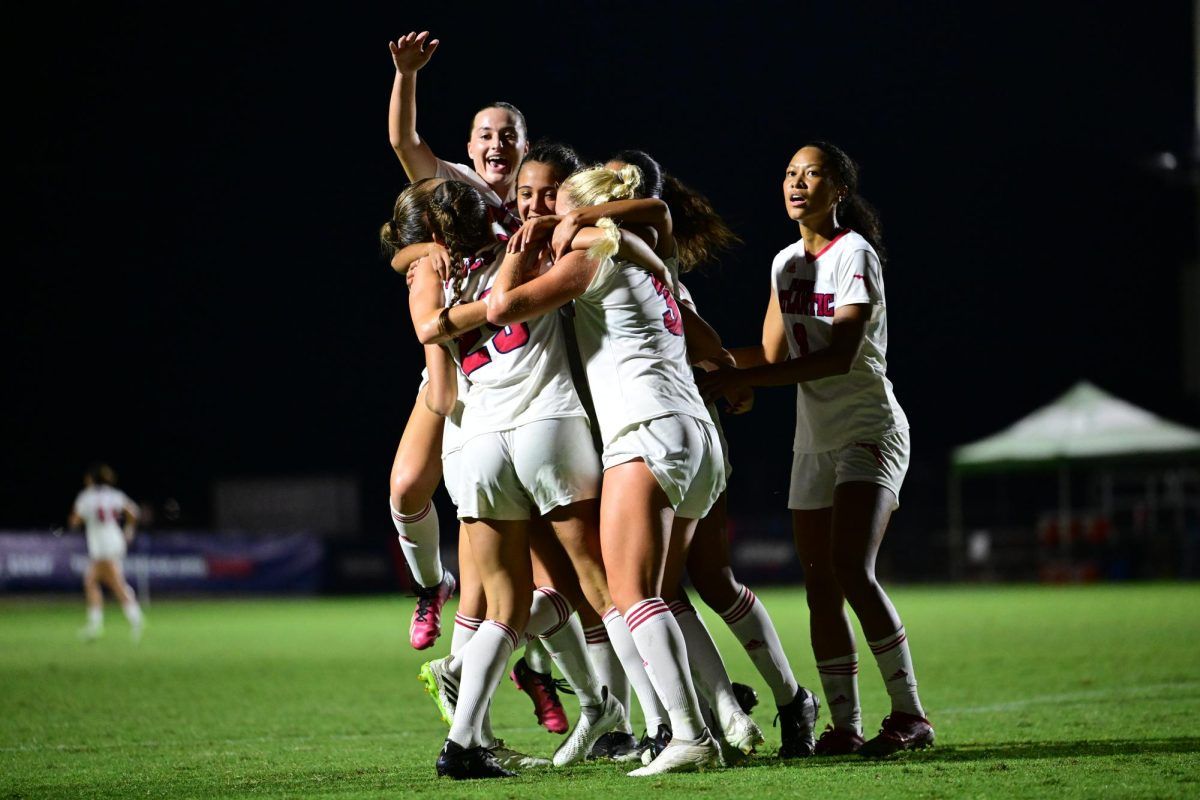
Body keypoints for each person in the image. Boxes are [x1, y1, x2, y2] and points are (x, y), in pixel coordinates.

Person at [488, 165, 735, 776]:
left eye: (559, 208)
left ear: (587, 215)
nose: (546, 217)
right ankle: (714, 721)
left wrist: (521, 250)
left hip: (645, 429)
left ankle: (689, 734)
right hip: (695, 434)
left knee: (631, 595)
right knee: (660, 593)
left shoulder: (591, 248)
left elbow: (503, 310)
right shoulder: (649, 251)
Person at [697, 141, 934, 758]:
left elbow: (837, 357)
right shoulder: (783, 264)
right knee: (820, 585)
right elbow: (774, 357)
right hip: (815, 441)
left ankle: (911, 716)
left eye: (813, 174)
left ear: (840, 191)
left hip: (868, 429)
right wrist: (707, 369)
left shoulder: (854, 254)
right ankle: (845, 726)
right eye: (789, 174)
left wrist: (737, 381)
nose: (797, 183)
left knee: (852, 569)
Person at [404, 179, 626, 779]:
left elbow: (426, 319)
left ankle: (463, 742)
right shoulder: (529, 247)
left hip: (472, 441)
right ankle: (655, 727)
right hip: (542, 423)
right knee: (604, 588)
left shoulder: (431, 274)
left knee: (504, 608)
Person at [383, 29, 529, 649]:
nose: (497, 142)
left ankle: (530, 672)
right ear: (470, 147)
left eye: (508, 134)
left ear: (526, 145)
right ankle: (426, 587)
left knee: (502, 555)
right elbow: (402, 141)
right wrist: (407, 75)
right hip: (454, 363)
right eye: (486, 134)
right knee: (407, 487)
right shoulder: (457, 188)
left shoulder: (540, 198)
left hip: (520, 378)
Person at [68, 464, 144, 642]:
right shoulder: (114, 494)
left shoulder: (86, 497)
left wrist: (74, 519)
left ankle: (134, 619)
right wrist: (129, 531)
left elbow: (75, 521)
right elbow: (133, 512)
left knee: (114, 583)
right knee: (92, 581)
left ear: (92, 479)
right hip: (114, 540)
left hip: (102, 545)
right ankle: (96, 625)